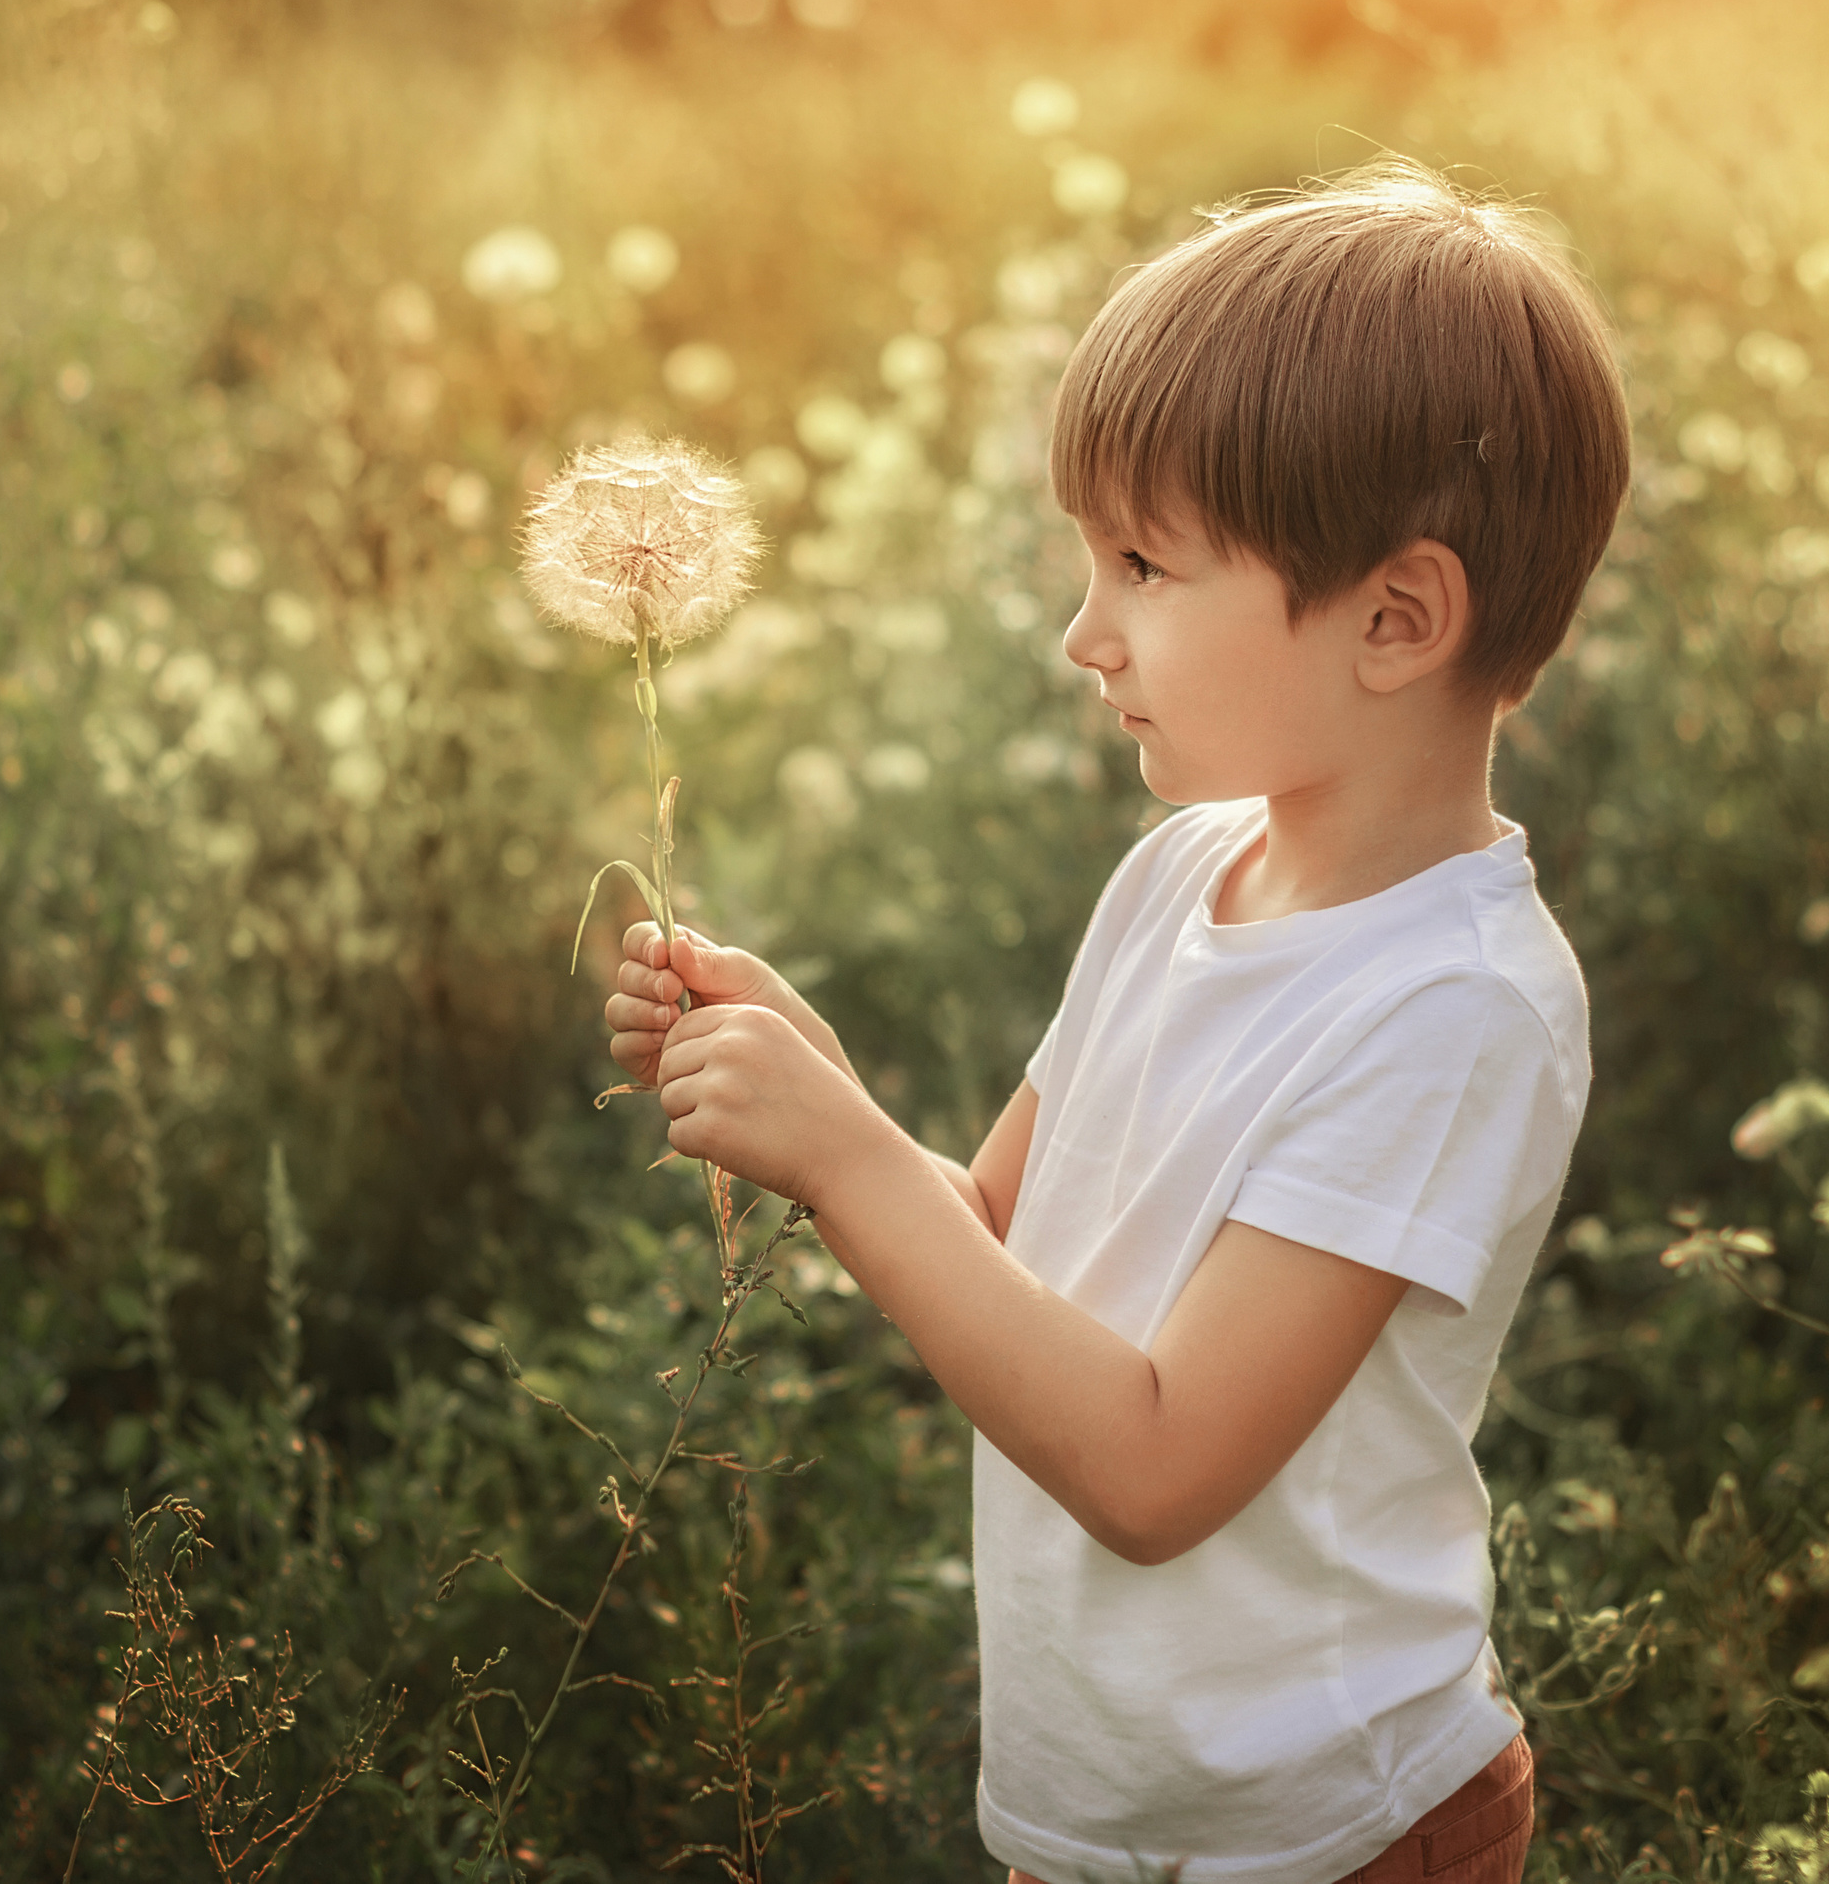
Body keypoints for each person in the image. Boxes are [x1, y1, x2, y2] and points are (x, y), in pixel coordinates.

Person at [602, 161, 1630, 1884]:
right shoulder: (1181, 872)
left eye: (1146, 563)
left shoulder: (1449, 1008)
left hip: (1326, 1830)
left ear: (1396, 619)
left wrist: (845, 1158)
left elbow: (1155, 1470)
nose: (1085, 633)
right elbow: (999, 1243)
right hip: (1114, 1821)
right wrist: (810, 1088)